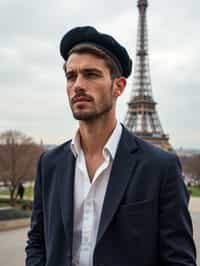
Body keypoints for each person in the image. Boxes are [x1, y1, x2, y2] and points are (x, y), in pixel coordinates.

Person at [25, 26, 196, 266]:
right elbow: (37, 243)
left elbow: (178, 260)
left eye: (91, 74)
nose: (78, 85)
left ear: (119, 86)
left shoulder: (160, 168)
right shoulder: (49, 164)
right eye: (71, 76)